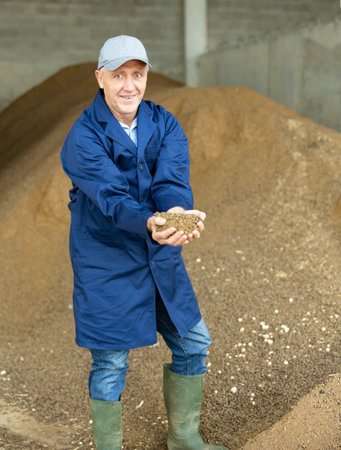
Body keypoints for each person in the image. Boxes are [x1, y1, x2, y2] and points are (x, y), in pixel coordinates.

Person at [61, 35, 227, 450]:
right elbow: (112, 199)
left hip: (158, 253)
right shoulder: (83, 137)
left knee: (194, 343)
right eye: (118, 75)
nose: (129, 85)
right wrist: (152, 220)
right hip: (107, 260)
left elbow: (172, 179)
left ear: (146, 76)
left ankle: (184, 438)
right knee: (111, 361)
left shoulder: (164, 122)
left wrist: (176, 216)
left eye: (137, 74)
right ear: (100, 78)